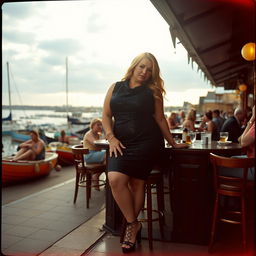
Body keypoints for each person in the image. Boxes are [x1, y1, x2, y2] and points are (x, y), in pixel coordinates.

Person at [102, 52, 188, 253]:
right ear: (134, 66)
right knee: (115, 179)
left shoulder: (153, 92)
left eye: (149, 70)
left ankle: (130, 228)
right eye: (142, 66)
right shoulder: (115, 87)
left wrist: (173, 143)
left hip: (146, 142)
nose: (144, 72)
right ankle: (134, 223)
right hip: (120, 143)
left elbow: (159, 119)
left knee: (136, 182)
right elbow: (106, 115)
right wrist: (111, 137)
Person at [83, 118, 106, 190]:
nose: (100, 126)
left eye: (101, 125)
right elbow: (96, 144)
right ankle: (96, 176)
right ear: (92, 125)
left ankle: (96, 176)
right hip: (89, 155)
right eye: (98, 125)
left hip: (96, 154)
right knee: (108, 155)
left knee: (108, 159)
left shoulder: (98, 135)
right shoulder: (89, 134)